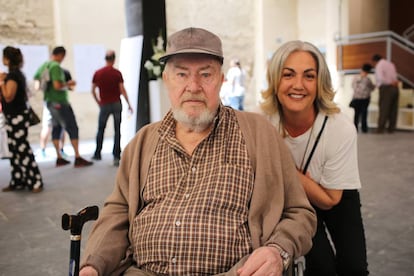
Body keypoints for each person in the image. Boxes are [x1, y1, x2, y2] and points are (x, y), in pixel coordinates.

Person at [79, 27, 316, 276]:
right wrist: (93, 266)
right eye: (182, 74)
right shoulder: (142, 143)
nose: (193, 86)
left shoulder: (258, 134)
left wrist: (277, 250)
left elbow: (299, 213)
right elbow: (117, 212)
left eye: (206, 75)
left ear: (221, 80)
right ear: (167, 79)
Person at [261, 40, 369, 276]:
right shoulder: (264, 123)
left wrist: (287, 168)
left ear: (319, 83)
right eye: (288, 74)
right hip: (291, 200)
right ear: (275, 79)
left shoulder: (340, 128)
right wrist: (299, 179)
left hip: (336, 191)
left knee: (354, 267)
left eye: (309, 76)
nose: (298, 85)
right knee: (321, 268)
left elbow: (330, 199)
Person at [34, 46, 93, 168]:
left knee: (56, 128)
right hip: (60, 102)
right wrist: (68, 84)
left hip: (49, 102)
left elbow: (36, 83)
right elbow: (57, 85)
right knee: (72, 127)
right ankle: (77, 156)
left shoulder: (45, 65)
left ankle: (59, 157)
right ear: (61, 55)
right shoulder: (55, 66)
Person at [0, 46, 43, 193]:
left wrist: (1, 82)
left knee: (22, 149)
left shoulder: (12, 76)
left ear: (7, 58)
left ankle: (35, 181)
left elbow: (8, 96)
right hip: (13, 117)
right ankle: (18, 180)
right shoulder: (16, 74)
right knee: (14, 150)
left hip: (17, 117)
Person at [91, 50, 133, 167]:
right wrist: (129, 104)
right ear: (114, 59)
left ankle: (97, 153)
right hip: (116, 104)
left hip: (104, 104)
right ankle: (116, 156)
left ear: (105, 59)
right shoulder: (117, 73)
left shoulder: (98, 73)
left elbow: (93, 90)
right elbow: (122, 90)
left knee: (101, 129)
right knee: (117, 130)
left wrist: (98, 102)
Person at [36, 68, 73, 158]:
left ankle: (59, 150)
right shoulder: (48, 73)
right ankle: (45, 150)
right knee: (49, 127)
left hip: (55, 103)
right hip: (53, 103)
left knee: (58, 127)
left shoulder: (61, 72)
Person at [371, 54, 399, 133]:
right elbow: (395, 77)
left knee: (384, 108)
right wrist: (393, 83)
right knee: (393, 109)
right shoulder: (391, 64)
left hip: (386, 88)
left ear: (375, 61)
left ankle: (380, 129)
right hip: (395, 87)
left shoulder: (379, 65)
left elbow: (381, 78)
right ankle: (391, 129)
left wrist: (389, 83)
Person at [350, 63, 375, 133]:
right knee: (364, 114)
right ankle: (364, 129)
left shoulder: (355, 77)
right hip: (364, 99)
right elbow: (372, 88)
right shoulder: (367, 80)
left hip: (356, 98)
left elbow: (352, 86)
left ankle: (355, 129)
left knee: (356, 114)